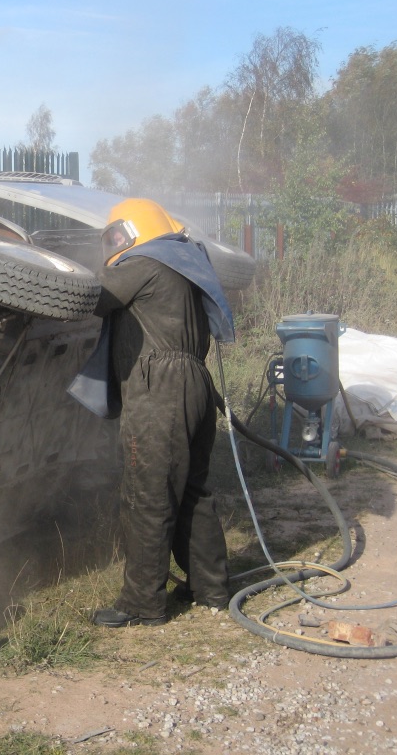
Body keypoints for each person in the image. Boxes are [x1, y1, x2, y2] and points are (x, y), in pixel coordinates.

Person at [73, 199, 235, 628]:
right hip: (195, 384)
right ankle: (210, 588)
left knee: (148, 493)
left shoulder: (144, 261)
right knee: (193, 492)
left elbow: (96, 296)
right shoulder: (182, 263)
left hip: (160, 386)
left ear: (130, 231)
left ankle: (142, 603)